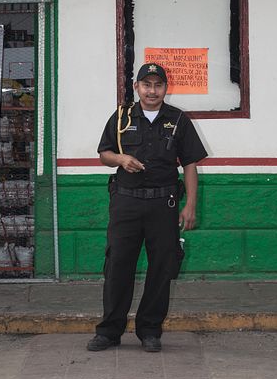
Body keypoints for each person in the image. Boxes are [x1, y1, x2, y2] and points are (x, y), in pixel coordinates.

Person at [87, 62, 208, 353]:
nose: (152, 91)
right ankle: (109, 331)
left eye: (158, 85)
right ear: (136, 87)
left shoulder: (178, 120)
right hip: (126, 203)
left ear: (166, 88)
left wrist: (190, 205)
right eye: (146, 85)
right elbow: (104, 153)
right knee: (118, 266)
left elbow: (190, 164)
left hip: (163, 205)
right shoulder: (121, 117)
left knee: (161, 269)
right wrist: (121, 160)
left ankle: (150, 330)